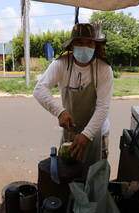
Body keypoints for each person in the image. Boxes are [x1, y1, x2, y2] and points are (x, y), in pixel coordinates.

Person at [33, 23, 113, 166]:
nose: (85, 47)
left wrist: (87, 134)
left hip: (96, 132)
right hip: (71, 130)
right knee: (67, 174)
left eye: (89, 43)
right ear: (72, 45)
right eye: (80, 42)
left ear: (96, 46)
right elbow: (39, 89)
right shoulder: (61, 64)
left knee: (93, 177)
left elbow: (103, 107)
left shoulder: (104, 69)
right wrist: (60, 112)